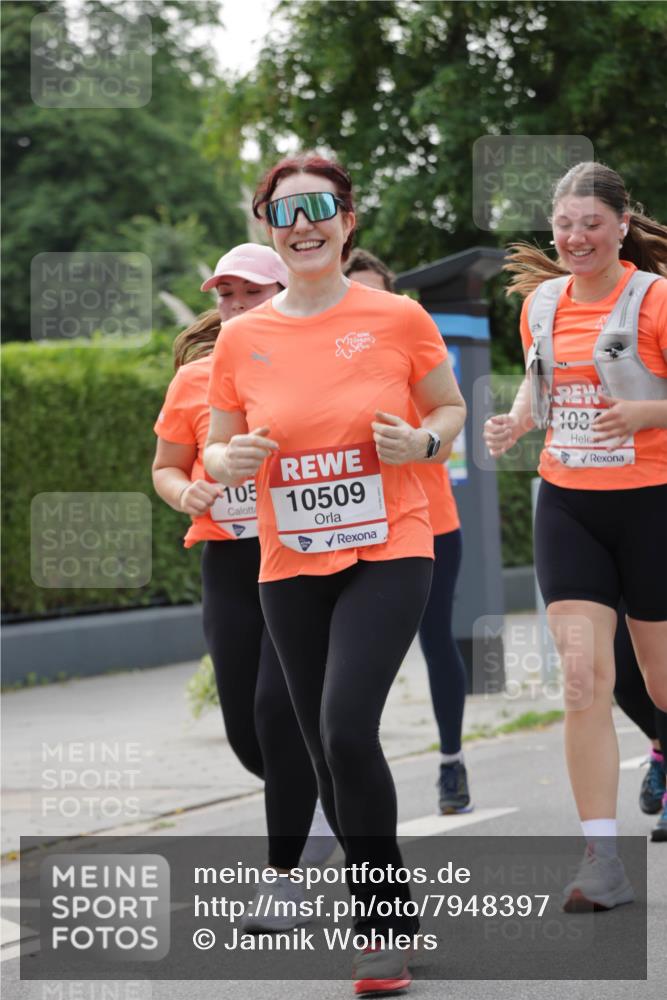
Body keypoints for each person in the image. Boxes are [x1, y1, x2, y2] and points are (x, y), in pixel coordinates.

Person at [204, 154, 466, 996]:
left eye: (319, 207)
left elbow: (448, 408)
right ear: (267, 228)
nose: (302, 223)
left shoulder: (396, 317)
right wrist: (230, 457)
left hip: (391, 542)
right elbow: (212, 443)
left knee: (346, 725)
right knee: (320, 748)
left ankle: (377, 926)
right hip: (288, 560)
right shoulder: (242, 337)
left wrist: (424, 444)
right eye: (283, 211)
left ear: (347, 220)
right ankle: (394, 905)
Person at [484, 161, 667, 906]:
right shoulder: (539, 302)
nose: (574, 237)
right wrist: (521, 415)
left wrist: (649, 415)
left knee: (658, 679)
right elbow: (541, 377)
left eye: (590, 222)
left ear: (621, 225)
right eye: (563, 224)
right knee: (584, 679)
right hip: (568, 502)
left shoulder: (654, 300)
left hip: (652, 502)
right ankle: (602, 858)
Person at [152, 243, 334, 932]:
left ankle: (284, 879)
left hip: (298, 555)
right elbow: (166, 466)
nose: (232, 307)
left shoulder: (318, 367)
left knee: (275, 711)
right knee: (243, 731)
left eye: (249, 293)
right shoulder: (195, 379)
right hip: (227, 562)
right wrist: (185, 490)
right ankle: (327, 805)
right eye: (225, 295)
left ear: (287, 293)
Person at [344, 248, 472, 814]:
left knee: (435, 639)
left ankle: (451, 761)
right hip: (347, 531)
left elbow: (447, 430)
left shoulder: (409, 344)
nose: (366, 306)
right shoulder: (322, 356)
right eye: (356, 294)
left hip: (428, 524)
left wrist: (417, 440)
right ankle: (343, 773)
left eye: (377, 294)